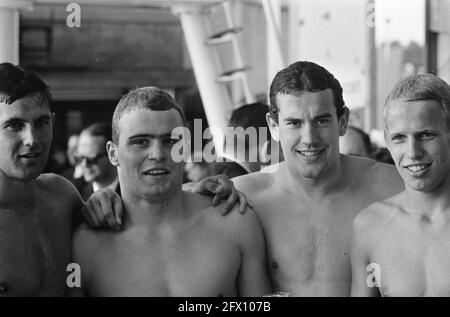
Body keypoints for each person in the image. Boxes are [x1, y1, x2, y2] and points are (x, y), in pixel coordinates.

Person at [69, 87, 270, 296]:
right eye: (141, 142)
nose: (157, 154)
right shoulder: (83, 246)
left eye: (170, 141)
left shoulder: (235, 223)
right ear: (113, 153)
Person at [230, 61, 405, 296]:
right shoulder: (245, 196)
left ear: (342, 122)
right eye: (294, 123)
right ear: (273, 126)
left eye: (321, 121)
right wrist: (197, 188)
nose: (309, 138)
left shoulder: (390, 185)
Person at [0, 63, 123, 296]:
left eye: (41, 123)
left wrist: (198, 192)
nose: (31, 139)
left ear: (53, 123)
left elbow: (144, 217)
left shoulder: (62, 196)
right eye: (14, 125)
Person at [351, 74, 450, 297]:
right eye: (399, 138)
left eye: (426, 135)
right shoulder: (369, 226)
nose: (413, 152)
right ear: (386, 140)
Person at [76, 123, 120, 200]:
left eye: (91, 159)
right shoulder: (76, 196)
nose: (84, 164)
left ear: (112, 154)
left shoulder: (133, 193)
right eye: (80, 158)